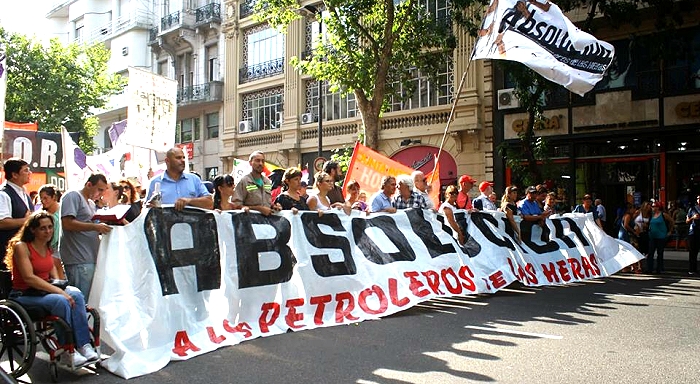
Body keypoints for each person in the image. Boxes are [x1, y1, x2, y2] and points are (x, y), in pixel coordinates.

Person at [5, 212, 99, 366]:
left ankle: (83, 345)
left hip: (42, 291)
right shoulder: (22, 247)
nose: (48, 231)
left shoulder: (47, 246)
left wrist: (63, 287)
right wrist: (60, 291)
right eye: (43, 228)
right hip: (24, 294)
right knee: (60, 300)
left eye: (50, 227)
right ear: (32, 230)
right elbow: (29, 278)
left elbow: (52, 275)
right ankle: (67, 349)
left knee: (76, 294)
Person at [60, 173, 112, 301]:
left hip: (90, 257)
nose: (100, 194)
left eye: (103, 191)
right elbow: (67, 223)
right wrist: (95, 227)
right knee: (81, 301)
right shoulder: (73, 195)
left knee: (89, 301)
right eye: (99, 190)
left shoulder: (91, 204)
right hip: (78, 259)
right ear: (89, 184)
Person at [145, 148, 213, 211]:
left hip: (191, 223)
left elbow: (210, 204)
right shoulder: (154, 182)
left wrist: (188, 201)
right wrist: (149, 207)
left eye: (183, 157)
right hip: (165, 223)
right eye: (178, 158)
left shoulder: (194, 179)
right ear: (167, 161)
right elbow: (146, 209)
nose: (183, 160)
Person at [0, 159, 34, 269]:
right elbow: (2, 222)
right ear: (14, 174)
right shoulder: (4, 194)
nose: (30, 173)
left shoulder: (23, 192)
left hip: (25, 250)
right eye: (26, 170)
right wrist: (27, 220)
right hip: (9, 253)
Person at [232, 151, 281, 215]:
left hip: (267, 222)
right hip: (250, 221)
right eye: (257, 161)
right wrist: (259, 209)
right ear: (250, 163)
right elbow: (236, 205)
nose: (260, 163)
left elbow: (266, 202)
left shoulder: (267, 181)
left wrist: (273, 206)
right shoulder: (244, 181)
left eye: (263, 161)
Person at [38, 184, 66, 279]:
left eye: (46, 198)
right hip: (47, 249)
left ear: (54, 197)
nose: (43, 201)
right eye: (41, 198)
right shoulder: (40, 214)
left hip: (62, 248)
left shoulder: (63, 210)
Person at [647, 201, 674, 274]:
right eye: (652, 206)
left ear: (658, 207)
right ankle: (649, 268)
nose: (652, 208)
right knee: (650, 253)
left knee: (660, 253)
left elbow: (671, 221)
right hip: (652, 236)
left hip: (661, 236)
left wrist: (670, 231)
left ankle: (659, 268)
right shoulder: (651, 215)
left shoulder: (663, 215)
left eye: (654, 206)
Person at [686, 195, 700, 275]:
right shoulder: (692, 209)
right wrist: (693, 218)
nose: (699, 200)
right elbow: (687, 221)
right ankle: (692, 269)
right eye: (698, 199)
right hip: (693, 232)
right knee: (692, 252)